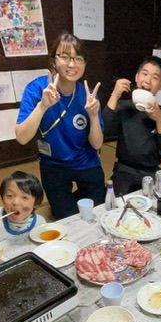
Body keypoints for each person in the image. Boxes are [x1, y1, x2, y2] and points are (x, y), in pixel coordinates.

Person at [15, 31, 105, 219]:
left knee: (97, 210)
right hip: (53, 163)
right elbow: (22, 138)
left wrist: (93, 116)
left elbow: (97, 144)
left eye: (78, 58)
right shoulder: (36, 89)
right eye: (65, 57)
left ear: (84, 64)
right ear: (54, 61)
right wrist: (43, 106)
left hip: (86, 161)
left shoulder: (88, 94)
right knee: (65, 217)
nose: (72, 64)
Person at [104, 56, 161, 195]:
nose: (148, 80)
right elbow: (104, 129)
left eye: (155, 77)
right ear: (136, 77)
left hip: (151, 172)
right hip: (124, 171)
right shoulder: (123, 107)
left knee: (160, 203)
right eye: (145, 74)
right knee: (114, 201)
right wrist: (115, 95)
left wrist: (159, 119)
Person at [0, 171, 46, 247]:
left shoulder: (40, 223)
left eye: (24, 197)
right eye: (10, 196)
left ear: (36, 202)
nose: (15, 202)